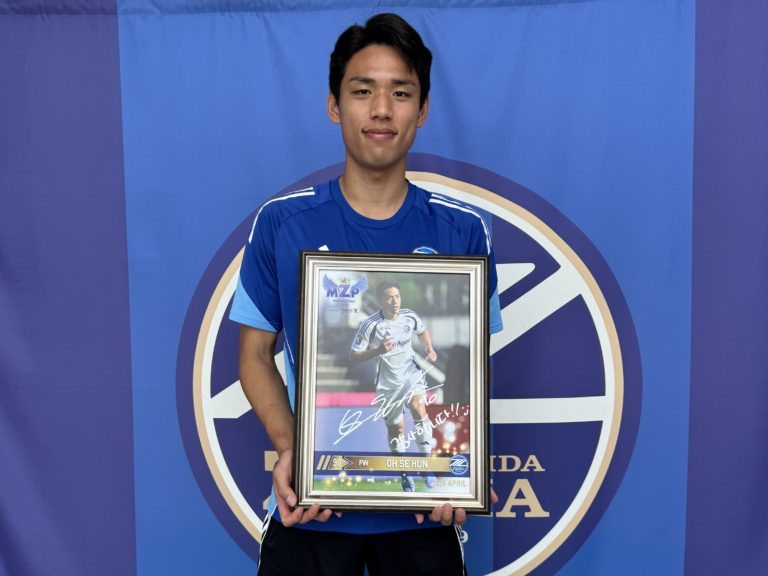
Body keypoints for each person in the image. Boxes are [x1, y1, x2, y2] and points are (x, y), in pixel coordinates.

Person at [230, 12, 503, 575]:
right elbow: (253, 356)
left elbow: (469, 365)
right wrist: (293, 450)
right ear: (335, 105)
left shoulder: (462, 231)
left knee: (414, 417)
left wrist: (458, 463)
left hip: (423, 519)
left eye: (401, 93)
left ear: (422, 110)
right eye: (362, 91)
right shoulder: (283, 224)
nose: (381, 109)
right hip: (314, 512)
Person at [349, 280, 439, 492]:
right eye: (389, 297)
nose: (394, 301)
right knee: (396, 430)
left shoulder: (409, 316)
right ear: (380, 300)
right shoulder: (370, 324)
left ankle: (426, 465)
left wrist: (429, 348)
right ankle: (404, 473)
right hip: (387, 384)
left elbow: (422, 330)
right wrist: (378, 351)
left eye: (397, 296)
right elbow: (353, 356)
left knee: (419, 407)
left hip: (411, 375)